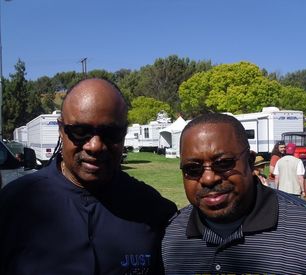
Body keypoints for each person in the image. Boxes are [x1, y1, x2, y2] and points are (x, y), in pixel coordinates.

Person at [0, 78, 177, 274]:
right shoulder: (14, 204)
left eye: (110, 133)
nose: (95, 146)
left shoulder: (154, 210)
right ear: (61, 130)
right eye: (80, 131)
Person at [162, 113, 306, 275]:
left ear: (251, 162)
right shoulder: (169, 235)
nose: (208, 178)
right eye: (192, 169)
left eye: (224, 163)